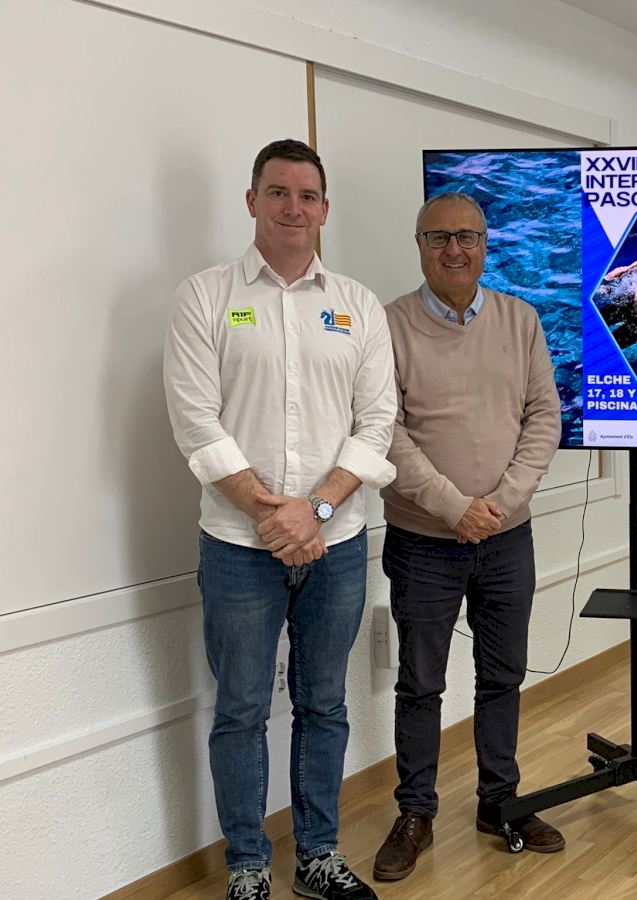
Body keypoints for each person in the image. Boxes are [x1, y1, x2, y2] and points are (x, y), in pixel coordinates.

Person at [164, 139, 394, 900]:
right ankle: (248, 866)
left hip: (339, 543)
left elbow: (377, 423)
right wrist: (274, 515)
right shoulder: (204, 297)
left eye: (307, 195)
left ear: (325, 209)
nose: (293, 207)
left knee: (324, 704)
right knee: (240, 710)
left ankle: (318, 856)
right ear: (252, 200)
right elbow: (197, 422)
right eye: (278, 192)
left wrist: (317, 510)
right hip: (238, 547)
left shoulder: (358, 305)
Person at [372, 191, 563, 882]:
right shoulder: (388, 325)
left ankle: (499, 802)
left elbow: (544, 417)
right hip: (423, 539)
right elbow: (384, 431)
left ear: (486, 245)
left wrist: (499, 504)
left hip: (507, 539)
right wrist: (454, 507)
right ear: (420, 245)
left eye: (467, 237)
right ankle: (415, 812)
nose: (454, 249)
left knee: (503, 676)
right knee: (420, 683)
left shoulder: (521, 320)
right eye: (439, 237)